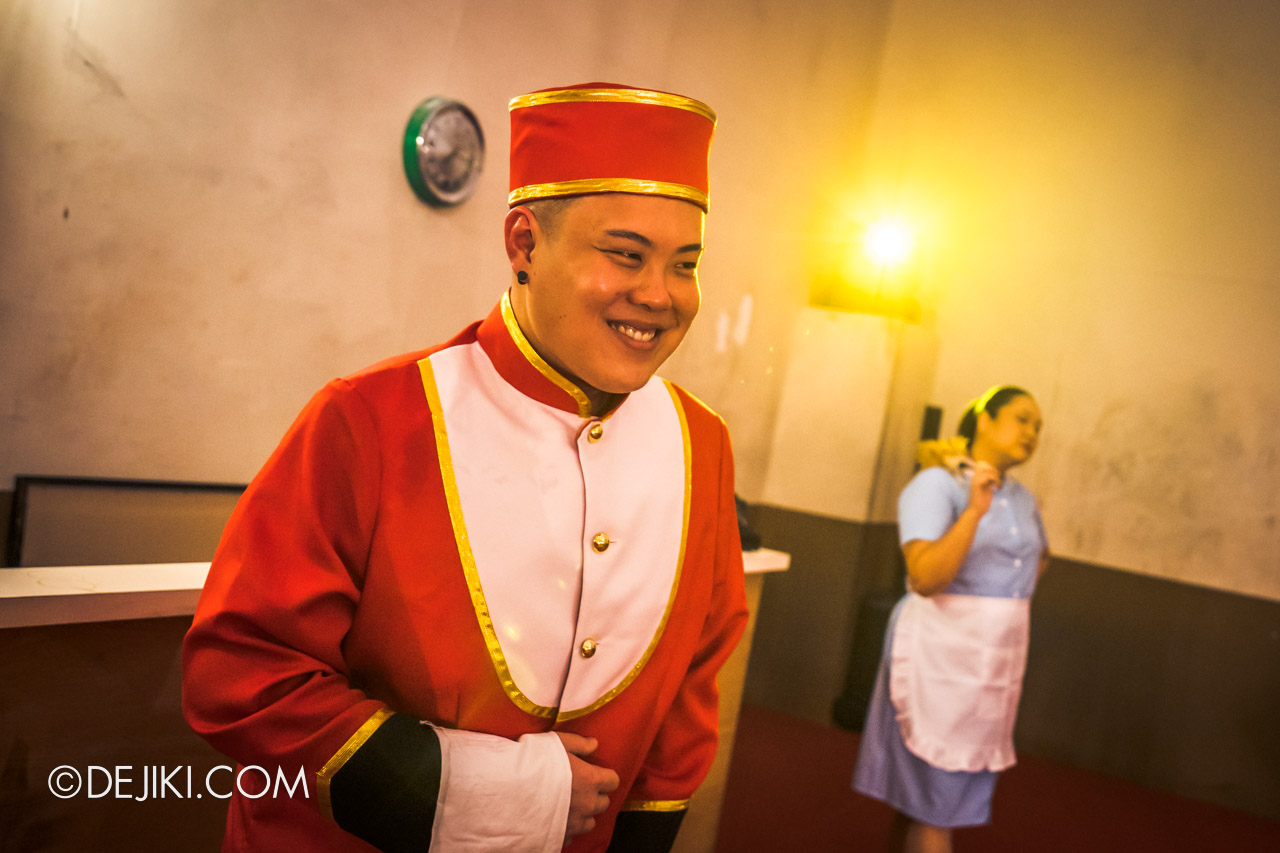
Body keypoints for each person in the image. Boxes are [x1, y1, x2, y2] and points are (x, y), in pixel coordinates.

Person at [182, 83, 748, 853]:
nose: (659, 295)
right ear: (523, 243)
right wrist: (472, 785)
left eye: (685, 265)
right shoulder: (369, 418)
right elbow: (239, 668)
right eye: (626, 255)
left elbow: (692, 686)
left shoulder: (703, 443)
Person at [851, 385, 1049, 853]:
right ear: (984, 418)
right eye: (1022, 418)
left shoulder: (1021, 497)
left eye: (1038, 427)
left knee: (927, 800)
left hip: (990, 665)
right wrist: (975, 513)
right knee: (933, 800)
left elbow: (1039, 559)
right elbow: (924, 577)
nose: (1032, 433)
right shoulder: (937, 484)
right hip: (940, 656)